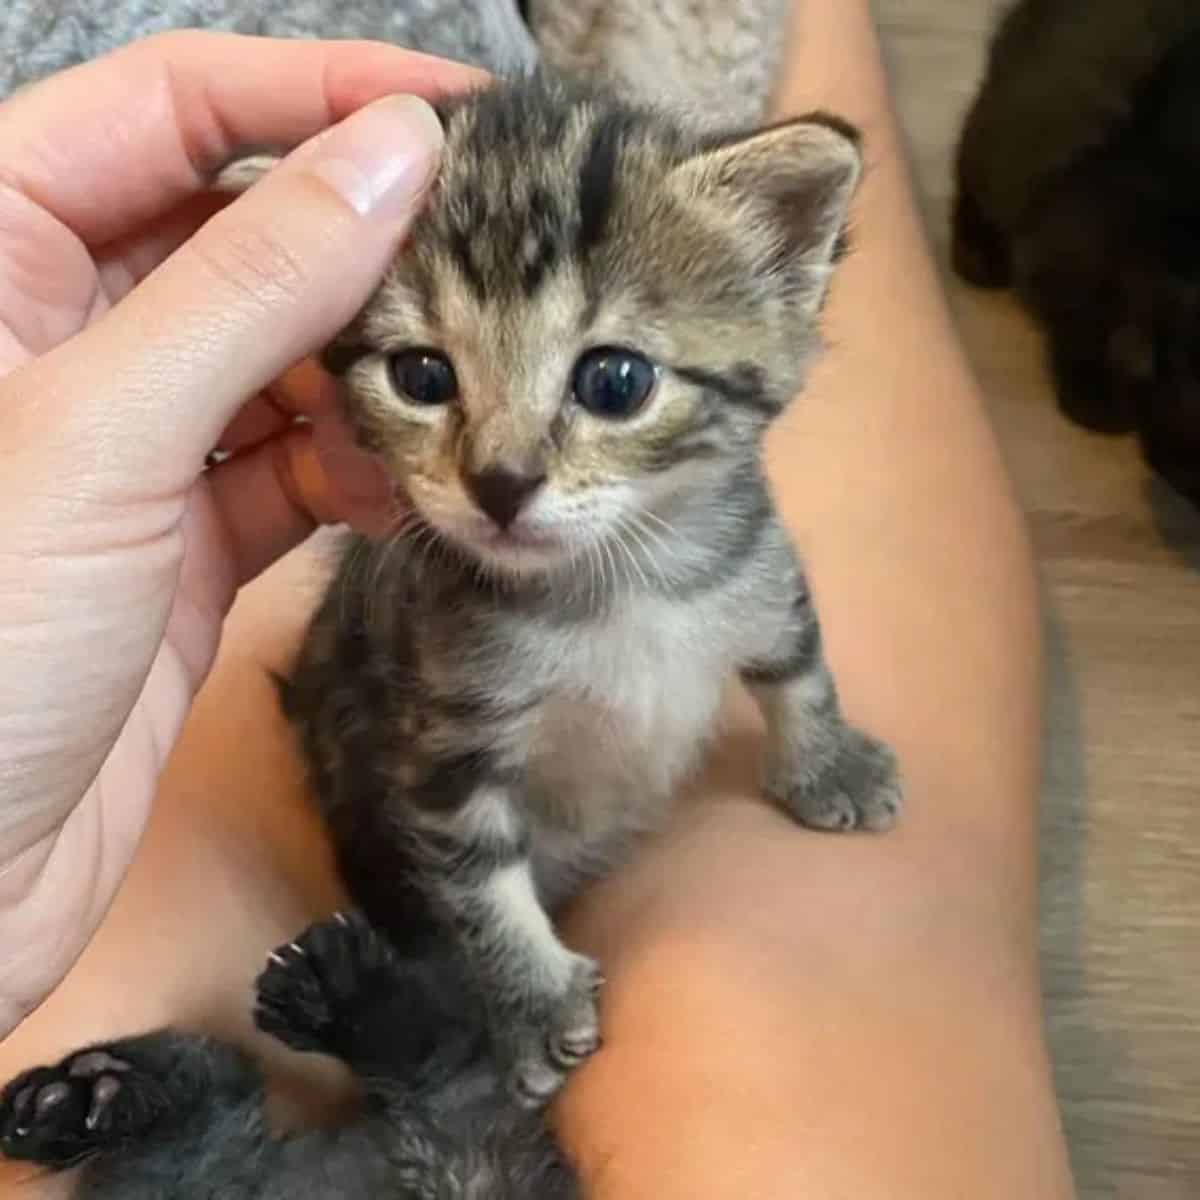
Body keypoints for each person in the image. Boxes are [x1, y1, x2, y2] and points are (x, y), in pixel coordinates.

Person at [0, 4, 1078, 1197]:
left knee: (797, 1075)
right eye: (427, 378)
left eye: (608, 382)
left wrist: (814, 741)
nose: (503, 469)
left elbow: (778, 622)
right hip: (129, 253)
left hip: (390, 98)